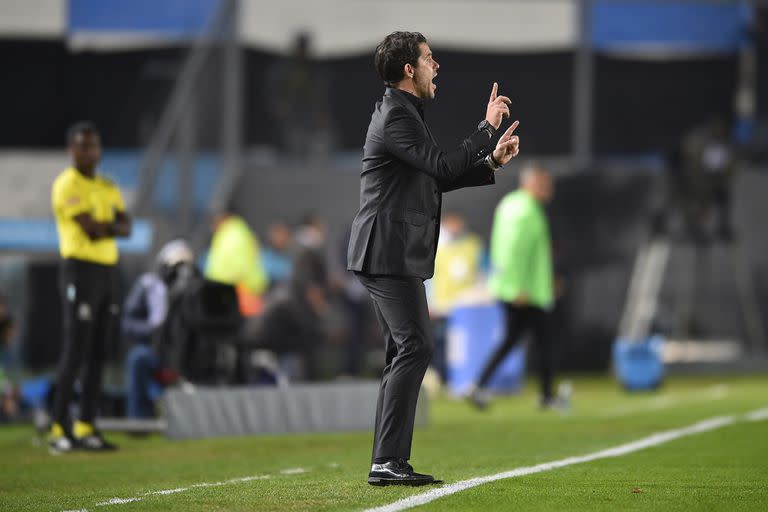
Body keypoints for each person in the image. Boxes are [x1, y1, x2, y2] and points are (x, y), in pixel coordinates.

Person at [347, 31, 520, 486]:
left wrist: (492, 163)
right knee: (416, 345)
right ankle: (387, 461)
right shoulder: (396, 115)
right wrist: (486, 128)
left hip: (391, 251)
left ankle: (389, 461)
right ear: (410, 70)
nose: (435, 66)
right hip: (386, 250)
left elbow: (432, 181)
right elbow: (442, 167)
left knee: (402, 351)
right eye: (429, 59)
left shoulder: (403, 113)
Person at [49, 121, 132, 453]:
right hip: (80, 271)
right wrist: (110, 226)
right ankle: (59, 428)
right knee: (75, 350)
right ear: (72, 150)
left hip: (107, 271)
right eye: (83, 146)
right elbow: (91, 229)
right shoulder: (66, 184)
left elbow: (126, 227)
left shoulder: (107, 185)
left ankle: (87, 426)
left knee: (100, 351)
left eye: (93, 145)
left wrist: (107, 226)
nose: (89, 151)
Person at [467, 163, 560, 410]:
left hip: (523, 288)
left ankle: (480, 386)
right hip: (523, 291)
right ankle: (546, 396)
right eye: (542, 183)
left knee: (518, 340)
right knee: (540, 340)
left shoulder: (515, 205)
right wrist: (517, 287)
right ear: (528, 183)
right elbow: (513, 251)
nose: (547, 189)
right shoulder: (524, 209)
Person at [122, 240, 195, 419]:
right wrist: (153, 330)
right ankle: (140, 418)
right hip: (158, 350)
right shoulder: (148, 285)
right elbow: (128, 322)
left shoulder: (196, 289)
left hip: (190, 350)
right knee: (138, 358)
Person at [204, 210, 268, 317]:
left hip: (237, 293)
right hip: (236, 292)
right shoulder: (235, 232)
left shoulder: (232, 235)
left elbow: (237, 268)